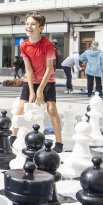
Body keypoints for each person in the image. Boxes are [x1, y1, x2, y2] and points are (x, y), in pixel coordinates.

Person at [11, 12, 63, 152]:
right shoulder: (23, 46)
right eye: (27, 24)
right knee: (21, 107)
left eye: (33, 24)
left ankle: (59, 142)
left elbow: (49, 68)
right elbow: (28, 70)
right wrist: (32, 91)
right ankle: (12, 136)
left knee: (51, 108)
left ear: (41, 28)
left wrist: (40, 89)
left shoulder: (48, 44)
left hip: (47, 79)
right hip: (31, 80)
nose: (29, 27)